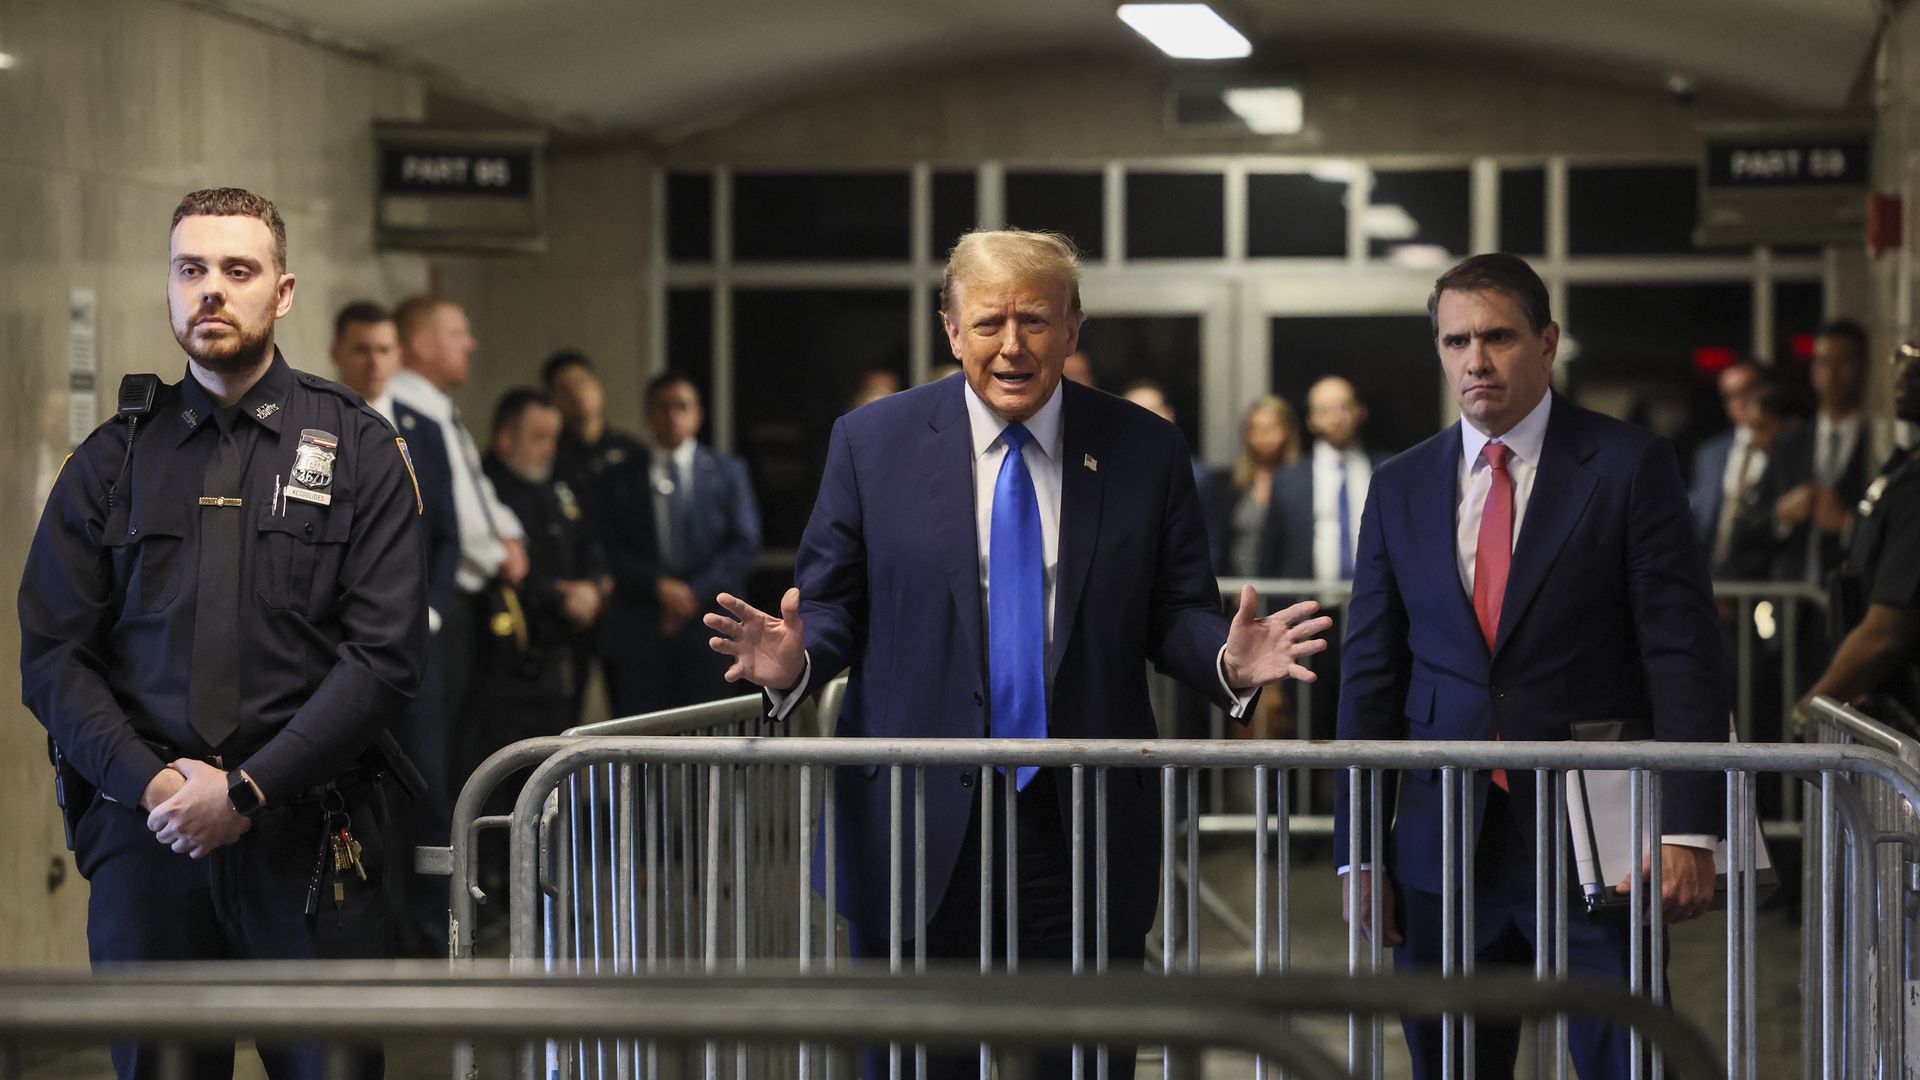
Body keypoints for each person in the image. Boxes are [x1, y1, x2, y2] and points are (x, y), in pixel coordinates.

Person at [703, 229, 1330, 1080]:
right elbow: (831, 607)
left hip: (1080, 822)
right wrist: (796, 661)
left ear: (1074, 329)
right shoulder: (872, 442)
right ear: (951, 329)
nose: (1012, 345)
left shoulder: (1144, 448)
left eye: (1034, 320)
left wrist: (1224, 658)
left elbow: (1173, 611)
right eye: (989, 321)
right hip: (915, 828)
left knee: (1080, 1061)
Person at [19, 188, 427, 1080]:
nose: (211, 290)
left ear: (281, 293)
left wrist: (245, 789)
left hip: (312, 834)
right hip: (148, 838)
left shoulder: (359, 451)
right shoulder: (110, 461)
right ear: (167, 289)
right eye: (190, 269)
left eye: (237, 271)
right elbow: (53, 655)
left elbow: (385, 657)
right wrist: (157, 784)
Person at [1335, 253, 1727, 1080]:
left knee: (1626, 1060)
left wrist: (1690, 825)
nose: (1475, 359)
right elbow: (1369, 676)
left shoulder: (1627, 465)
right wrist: (1359, 848)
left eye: (1498, 336)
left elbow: (1681, 650)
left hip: (1598, 834)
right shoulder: (1400, 485)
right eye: (1455, 341)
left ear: (1547, 343)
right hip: (1443, 847)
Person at [329, 299, 460, 957]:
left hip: (414, 646)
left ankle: (434, 940)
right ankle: (372, 939)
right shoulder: (316, 428)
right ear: (337, 353)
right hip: (340, 651)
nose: (374, 362)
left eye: (385, 350)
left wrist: (426, 609)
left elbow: (446, 536)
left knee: (427, 794)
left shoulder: (424, 432)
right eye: (361, 349)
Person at [389, 296, 528, 734]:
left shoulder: (440, 408)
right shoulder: (405, 412)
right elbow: (450, 513)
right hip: (437, 597)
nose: (471, 343)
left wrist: (511, 535)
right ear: (422, 345)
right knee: (437, 742)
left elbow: (475, 488)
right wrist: (496, 555)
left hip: (465, 599)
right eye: (457, 334)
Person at [596, 373, 761, 715]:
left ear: (697, 416)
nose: (673, 415)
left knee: (709, 734)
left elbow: (744, 545)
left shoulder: (727, 471)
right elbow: (610, 547)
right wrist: (659, 588)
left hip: (709, 626)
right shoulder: (619, 476)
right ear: (648, 415)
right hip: (643, 623)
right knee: (640, 736)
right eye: (663, 407)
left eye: (681, 407)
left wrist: (691, 594)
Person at [477, 388, 607, 748]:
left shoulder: (555, 485)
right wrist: (560, 596)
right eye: (538, 438)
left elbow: (588, 541)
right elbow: (502, 566)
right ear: (505, 439)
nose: (549, 449)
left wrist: (593, 587)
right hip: (509, 661)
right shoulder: (485, 490)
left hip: (564, 650)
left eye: (553, 437)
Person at [1801, 339, 1920, 729]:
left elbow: (1886, 634)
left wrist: (1812, 705)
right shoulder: (1901, 469)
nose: (1906, 373)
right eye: (1902, 357)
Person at [1267, 375, 1387, 582]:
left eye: (1344, 407)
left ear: (1360, 411)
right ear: (1311, 420)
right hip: (1306, 603)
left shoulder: (1387, 471)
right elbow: (1270, 551)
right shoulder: (1288, 479)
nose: (1336, 418)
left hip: (1375, 599)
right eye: (1325, 410)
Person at [1203, 394, 1302, 577]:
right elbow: (1215, 545)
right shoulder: (1225, 484)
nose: (1264, 436)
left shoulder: (1304, 482)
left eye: (1272, 427)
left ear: (1288, 431)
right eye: (1256, 429)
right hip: (1235, 592)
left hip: (1288, 591)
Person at [543, 349, 645, 513]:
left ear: (598, 387)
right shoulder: (549, 454)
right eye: (565, 389)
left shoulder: (630, 450)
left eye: (582, 383)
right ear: (553, 399)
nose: (576, 394)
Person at [1121, 377, 1208, 490]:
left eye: (1152, 410)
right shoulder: (1104, 473)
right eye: (1134, 411)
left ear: (1169, 415)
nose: (1144, 418)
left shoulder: (1195, 475)